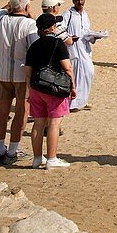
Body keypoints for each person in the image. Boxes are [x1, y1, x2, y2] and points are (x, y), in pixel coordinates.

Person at [0, 0, 38, 166]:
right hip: (21, 75)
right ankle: (12, 151)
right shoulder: (29, 24)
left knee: (1, 112)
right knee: (21, 111)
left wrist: (14, 4)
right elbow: (34, 50)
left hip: (1, 73)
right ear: (26, 7)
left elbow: (3, 9)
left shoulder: (1, 19)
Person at [25, 13, 76, 169]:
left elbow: (28, 71)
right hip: (54, 89)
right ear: (53, 27)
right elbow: (67, 67)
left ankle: (37, 158)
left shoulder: (34, 45)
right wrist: (72, 86)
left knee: (38, 124)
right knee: (54, 123)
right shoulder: (58, 44)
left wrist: (29, 91)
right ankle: (52, 158)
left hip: (36, 87)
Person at [62, 0, 106, 112]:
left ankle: (82, 101)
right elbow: (60, 29)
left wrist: (94, 36)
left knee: (88, 72)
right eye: (77, 0)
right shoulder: (68, 14)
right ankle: (73, 103)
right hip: (73, 49)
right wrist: (69, 37)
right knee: (75, 74)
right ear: (73, 1)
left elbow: (86, 31)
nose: (80, 2)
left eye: (82, 0)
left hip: (85, 49)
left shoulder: (85, 15)